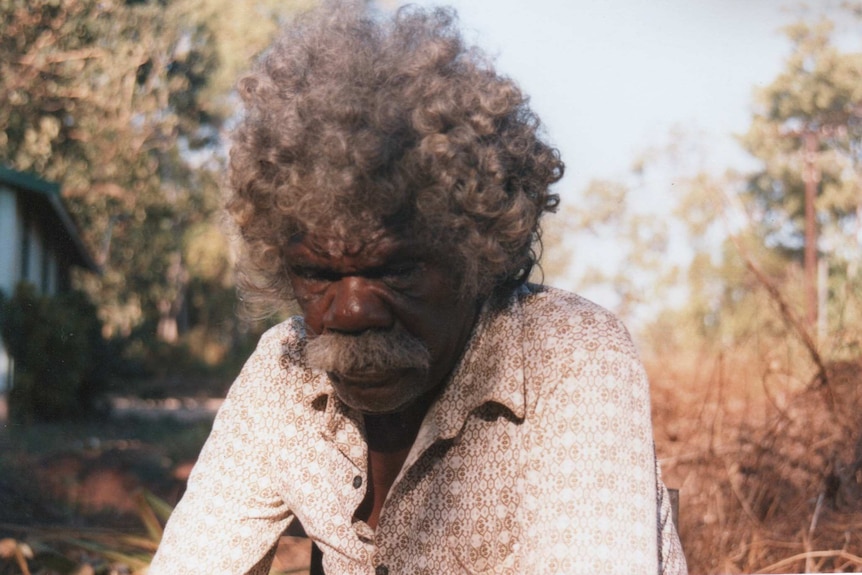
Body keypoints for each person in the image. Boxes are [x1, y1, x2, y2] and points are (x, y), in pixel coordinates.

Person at [149, 2, 687, 574]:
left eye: (398, 272)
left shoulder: (571, 355)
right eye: (318, 275)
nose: (352, 310)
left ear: (479, 254)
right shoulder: (282, 374)